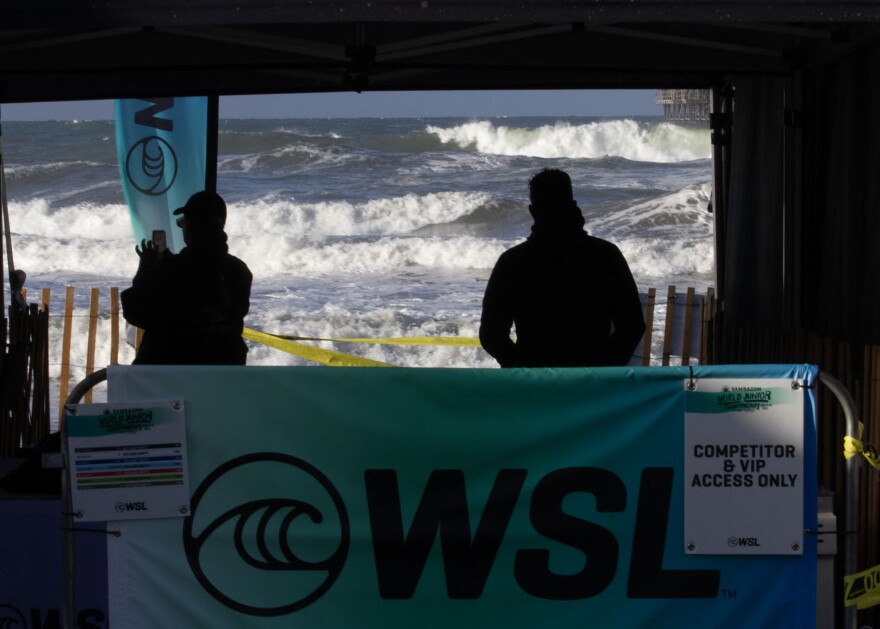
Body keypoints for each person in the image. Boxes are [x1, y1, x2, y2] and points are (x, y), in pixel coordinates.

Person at [479, 168, 645, 367]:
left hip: (534, 384)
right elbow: (632, 326)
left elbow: (491, 335)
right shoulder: (606, 255)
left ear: (533, 211)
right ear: (573, 205)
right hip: (593, 384)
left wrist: (522, 369)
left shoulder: (512, 262)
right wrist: (603, 369)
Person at [121, 191, 253, 365]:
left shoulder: (169, 270)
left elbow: (135, 311)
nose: (182, 226)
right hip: (222, 378)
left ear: (191, 227)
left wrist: (147, 268)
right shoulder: (240, 271)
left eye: (183, 222)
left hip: (168, 379)